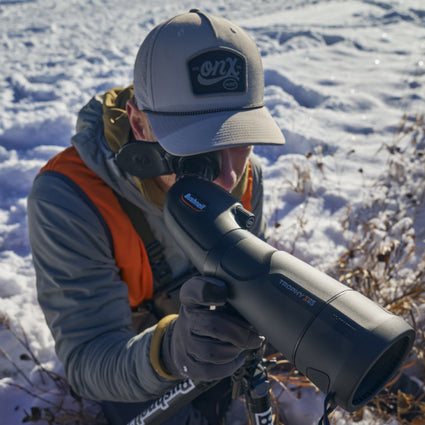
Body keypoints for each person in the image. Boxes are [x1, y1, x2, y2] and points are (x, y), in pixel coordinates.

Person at [27, 9, 285, 425]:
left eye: (240, 140)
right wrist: (169, 352)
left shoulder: (245, 175)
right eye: (198, 147)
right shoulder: (68, 197)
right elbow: (88, 356)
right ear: (139, 124)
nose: (227, 177)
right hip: (132, 360)